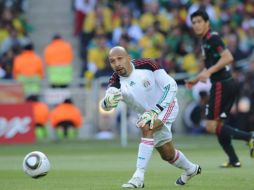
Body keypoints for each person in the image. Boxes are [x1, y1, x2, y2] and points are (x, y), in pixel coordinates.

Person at [101, 46, 201, 188]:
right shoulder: (115, 82)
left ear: (128, 58)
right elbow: (107, 105)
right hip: (148, 114)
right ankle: (191, 169)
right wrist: (106, 103)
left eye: (119, 59)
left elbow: (171, 86)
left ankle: (138, 177)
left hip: (167, 104)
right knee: (167, 155)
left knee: (146, 126)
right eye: (112, 61)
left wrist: (156, 110)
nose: (116, 64)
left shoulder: (147, 65)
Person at [185, 9, 254, 168]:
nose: (196, 25)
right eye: (194, 22)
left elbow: (228, 57)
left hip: (221, 85)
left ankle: (249, 136)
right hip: (225, 84)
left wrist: (208, 72)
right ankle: (233, 159)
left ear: (207, 23)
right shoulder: (205, 41)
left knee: (211, 126)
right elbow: (211, 66)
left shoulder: (213, 38)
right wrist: (196, 80)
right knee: (218, 126)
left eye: (199, 21)